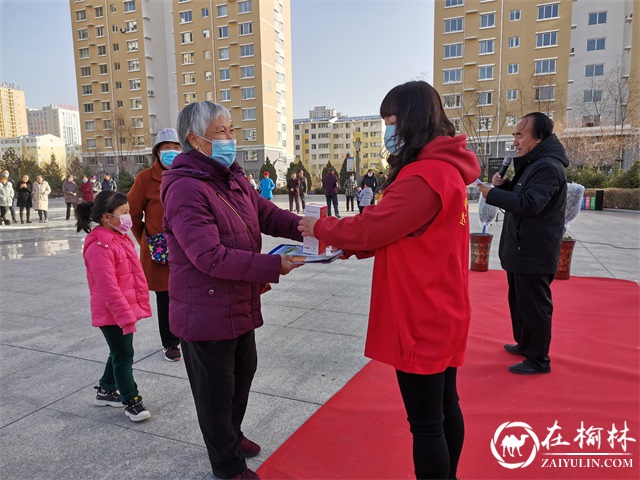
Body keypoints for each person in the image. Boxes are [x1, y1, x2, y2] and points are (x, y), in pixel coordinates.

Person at [298, 81, 480, 480]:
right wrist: (348, 247)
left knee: (427, 423)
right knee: (446, 406)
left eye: (391, 121)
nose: (388, 132)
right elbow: (403, 232)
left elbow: (374, 227)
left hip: (420, 312)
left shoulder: (424, 175)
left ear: (413, 120)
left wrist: (322, 227)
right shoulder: (447, 171)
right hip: (442, 306)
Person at [161, 101, 303, 480]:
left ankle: (232, 435)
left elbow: (268, 214)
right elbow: (209, 256)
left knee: (242, 376)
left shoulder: (233, 177)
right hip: (204, 310)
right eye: (222, 132)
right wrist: (274, 265)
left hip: (237, 302)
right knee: (215, 395)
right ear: (196, 140)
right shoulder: (186, 188)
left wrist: (309, 227)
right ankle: (227, 466)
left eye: (231, 130)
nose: (231, 139)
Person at [478, 112, 568, 376]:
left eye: (520, 134)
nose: (515, 141)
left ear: (538, 137)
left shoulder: (548, 167)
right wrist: (504, 188)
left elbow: (530, 205)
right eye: (514, 135)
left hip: (535, 252)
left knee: (535, 306)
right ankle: (525, 344)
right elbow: (520, 196)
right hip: (520, 248)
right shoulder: (532, 163)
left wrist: (492, 194)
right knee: (519, 302)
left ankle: (538, 359)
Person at [76, 190, 152, 422]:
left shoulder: (119, 238)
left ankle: (106, 390)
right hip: (114, 313)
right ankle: (131, 400)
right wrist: (125, 317)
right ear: (107, 217)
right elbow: (109, 289)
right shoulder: (100, 246)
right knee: (123, 355)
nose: (129, 218)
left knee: (118, 351)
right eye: (125, 213)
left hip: (121, 310)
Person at [128, 128, 182, 362]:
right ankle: (170, 343)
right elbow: (131, 213)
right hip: (160, 248)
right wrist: (147, 238)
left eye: (176, 147)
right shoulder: (145, 178)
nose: (172, 152)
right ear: (157, 152)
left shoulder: (189, 174)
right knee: (166, 296)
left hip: (189, 245)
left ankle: (189, 336)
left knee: (189, 293)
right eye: (166, 147)